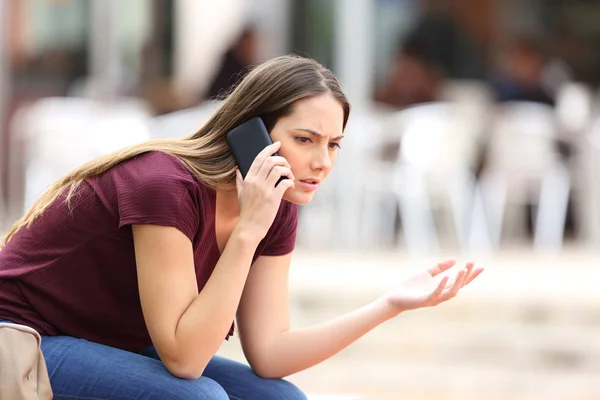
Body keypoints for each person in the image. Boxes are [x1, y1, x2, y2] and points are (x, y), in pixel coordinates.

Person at [0, 55, 483, 400]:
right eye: (304, 139)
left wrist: (389, 304)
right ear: (248, 133)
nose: (322, 161)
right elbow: (185, 361)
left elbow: (269, 353)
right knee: (200, 398)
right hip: (22, 337)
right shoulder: (164, 185)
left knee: (279, 397)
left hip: (107, 339)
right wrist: (247, 232)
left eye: (334, 144)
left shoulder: (278, 202)